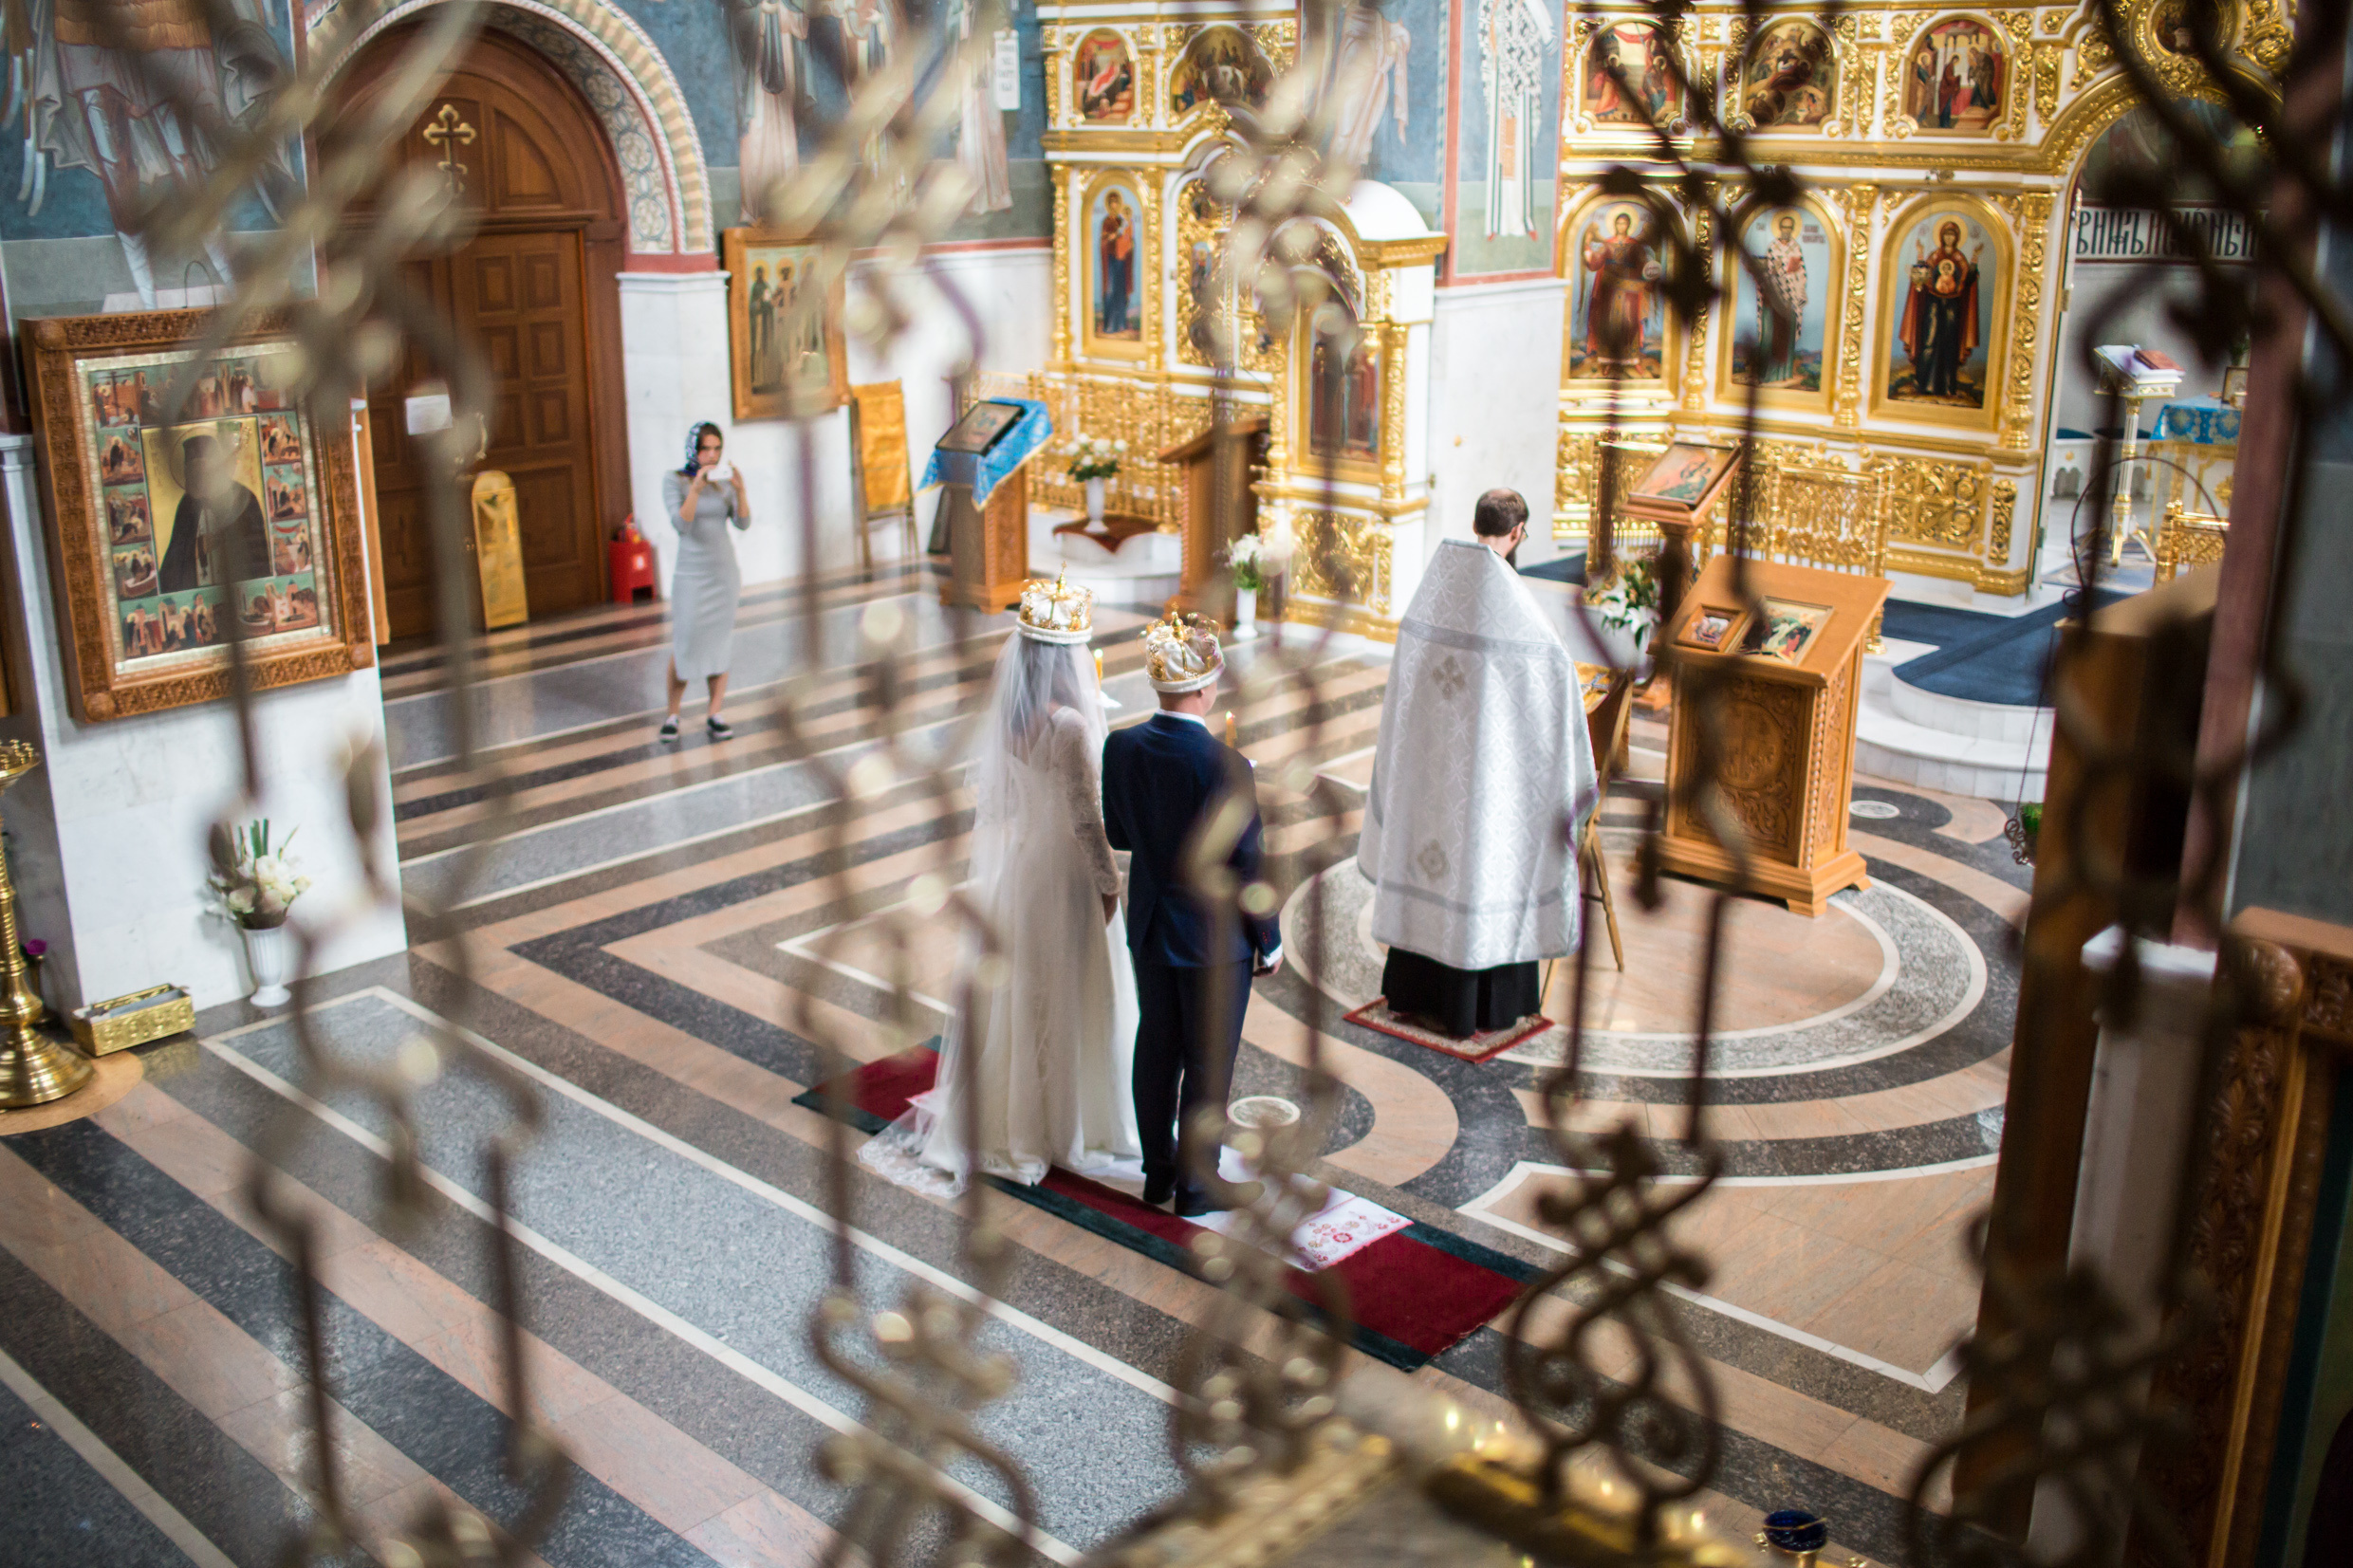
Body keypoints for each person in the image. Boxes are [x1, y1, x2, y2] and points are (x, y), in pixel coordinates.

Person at [861, 576, 1139, 1193]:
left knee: (1024, 991)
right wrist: (1110, 883)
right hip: (1065, 872)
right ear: (1064, 659)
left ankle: (1017, 1115)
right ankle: (1069, 1123)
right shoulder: (1070, 725)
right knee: (1073, 991)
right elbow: (1085, 819)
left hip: (1022, 865)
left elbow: (1008, 802)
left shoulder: (1012, 718)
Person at [1358, 489, 1600, 1039]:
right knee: (1487, 868)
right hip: (1492, 784)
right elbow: (1557, 686)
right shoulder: (1521, 616)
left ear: (1475, 525)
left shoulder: (1431, 598)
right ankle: (1484, 1007)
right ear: (1516, 534)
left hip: (1430, 780)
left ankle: (1414, 991)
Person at [1101, 614, 1281, 1215]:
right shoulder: (1228, 765)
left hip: (1152, 925)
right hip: (1214, 939)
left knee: (1156, 1050)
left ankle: (1159, 1172)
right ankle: (1198, 1187)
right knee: (1208, 1061)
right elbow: (1247, 863)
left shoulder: (1121, 746)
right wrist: (1270, 940)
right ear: (1205, 687)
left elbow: (1119, 836)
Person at [660, 423, 751, 741]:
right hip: (691, 574)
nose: (712, 455)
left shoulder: (724, 483)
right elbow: (681, 525)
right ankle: (673, 714)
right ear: (693, 450)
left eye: (716, 449)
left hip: (723, 574)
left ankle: (715, 712)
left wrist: (740, 490)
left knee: (719, 642)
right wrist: (696, 490)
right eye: (705, 449)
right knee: (685, 641)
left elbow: (743, 523)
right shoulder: (674, 480)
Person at [158, 433, 268, 594]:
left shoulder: (243, 497)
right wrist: (197, 547)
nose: (201, 479)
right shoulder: (187, 505)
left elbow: (258, 554)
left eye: (206, 471)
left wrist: (224, 541)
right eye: (194, 473)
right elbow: (173, 561)